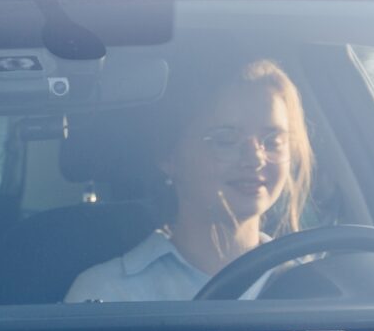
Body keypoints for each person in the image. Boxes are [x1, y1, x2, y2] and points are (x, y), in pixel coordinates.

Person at [65, 59, 313, 302]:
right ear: (168, 156)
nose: (256, 158)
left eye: (273, 141)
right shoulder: (107, 294)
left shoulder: (314, 285)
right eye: (225, 140)